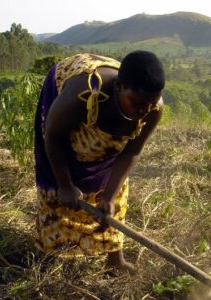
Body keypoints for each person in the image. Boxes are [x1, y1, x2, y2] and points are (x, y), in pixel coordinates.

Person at [33, 51, 165, 272]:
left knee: (115, 198)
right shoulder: (80, 95)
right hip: (65, 102)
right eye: (137, 102)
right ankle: (47, 257)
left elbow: (132, 151)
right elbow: (53, 137)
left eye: (149, 104)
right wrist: (65, 185)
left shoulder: (153, 108)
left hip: (105, 122)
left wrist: (109, 196)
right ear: (119, 86)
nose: (143, 110)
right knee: (56, 193)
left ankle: (115, 261)